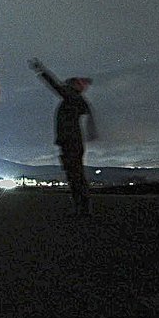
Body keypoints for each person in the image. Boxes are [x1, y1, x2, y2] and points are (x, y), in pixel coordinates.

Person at [30, 58, 97, 216]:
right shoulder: (79, 101)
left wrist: (42, 71)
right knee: (76, 173)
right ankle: (82, 206)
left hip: (70, 141)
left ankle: (81, 207)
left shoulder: (71, 98)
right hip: (73, 141)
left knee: (74, 174)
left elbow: (56, 85)